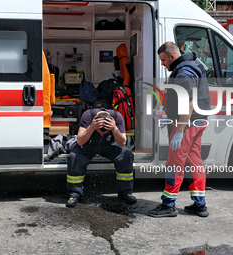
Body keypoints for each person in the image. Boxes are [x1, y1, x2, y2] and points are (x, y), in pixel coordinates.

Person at [148, 42, 211, 218]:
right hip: (198, 122)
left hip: (187, 124)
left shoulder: (183, 73)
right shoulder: (193, 65)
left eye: (163, 60)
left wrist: (180, 131)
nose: (162, 64)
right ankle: (200, 205)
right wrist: (165, 112)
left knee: (174, 164)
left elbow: (188, 103)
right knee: (195, 162)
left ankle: (168, 205)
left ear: (172, 57)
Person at [66, 108, 136, 207]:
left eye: (105, 132)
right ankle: (74, 194)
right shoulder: (88, 115)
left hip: (109, 145)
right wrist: (91, 127)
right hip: (88, 145)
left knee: (127, 155)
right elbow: (80, 141)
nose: (101, 134)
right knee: (74, 157)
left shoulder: (117, 117)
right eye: (99, 131)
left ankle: (125, 193)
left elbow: (122, 142)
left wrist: (114, 129)